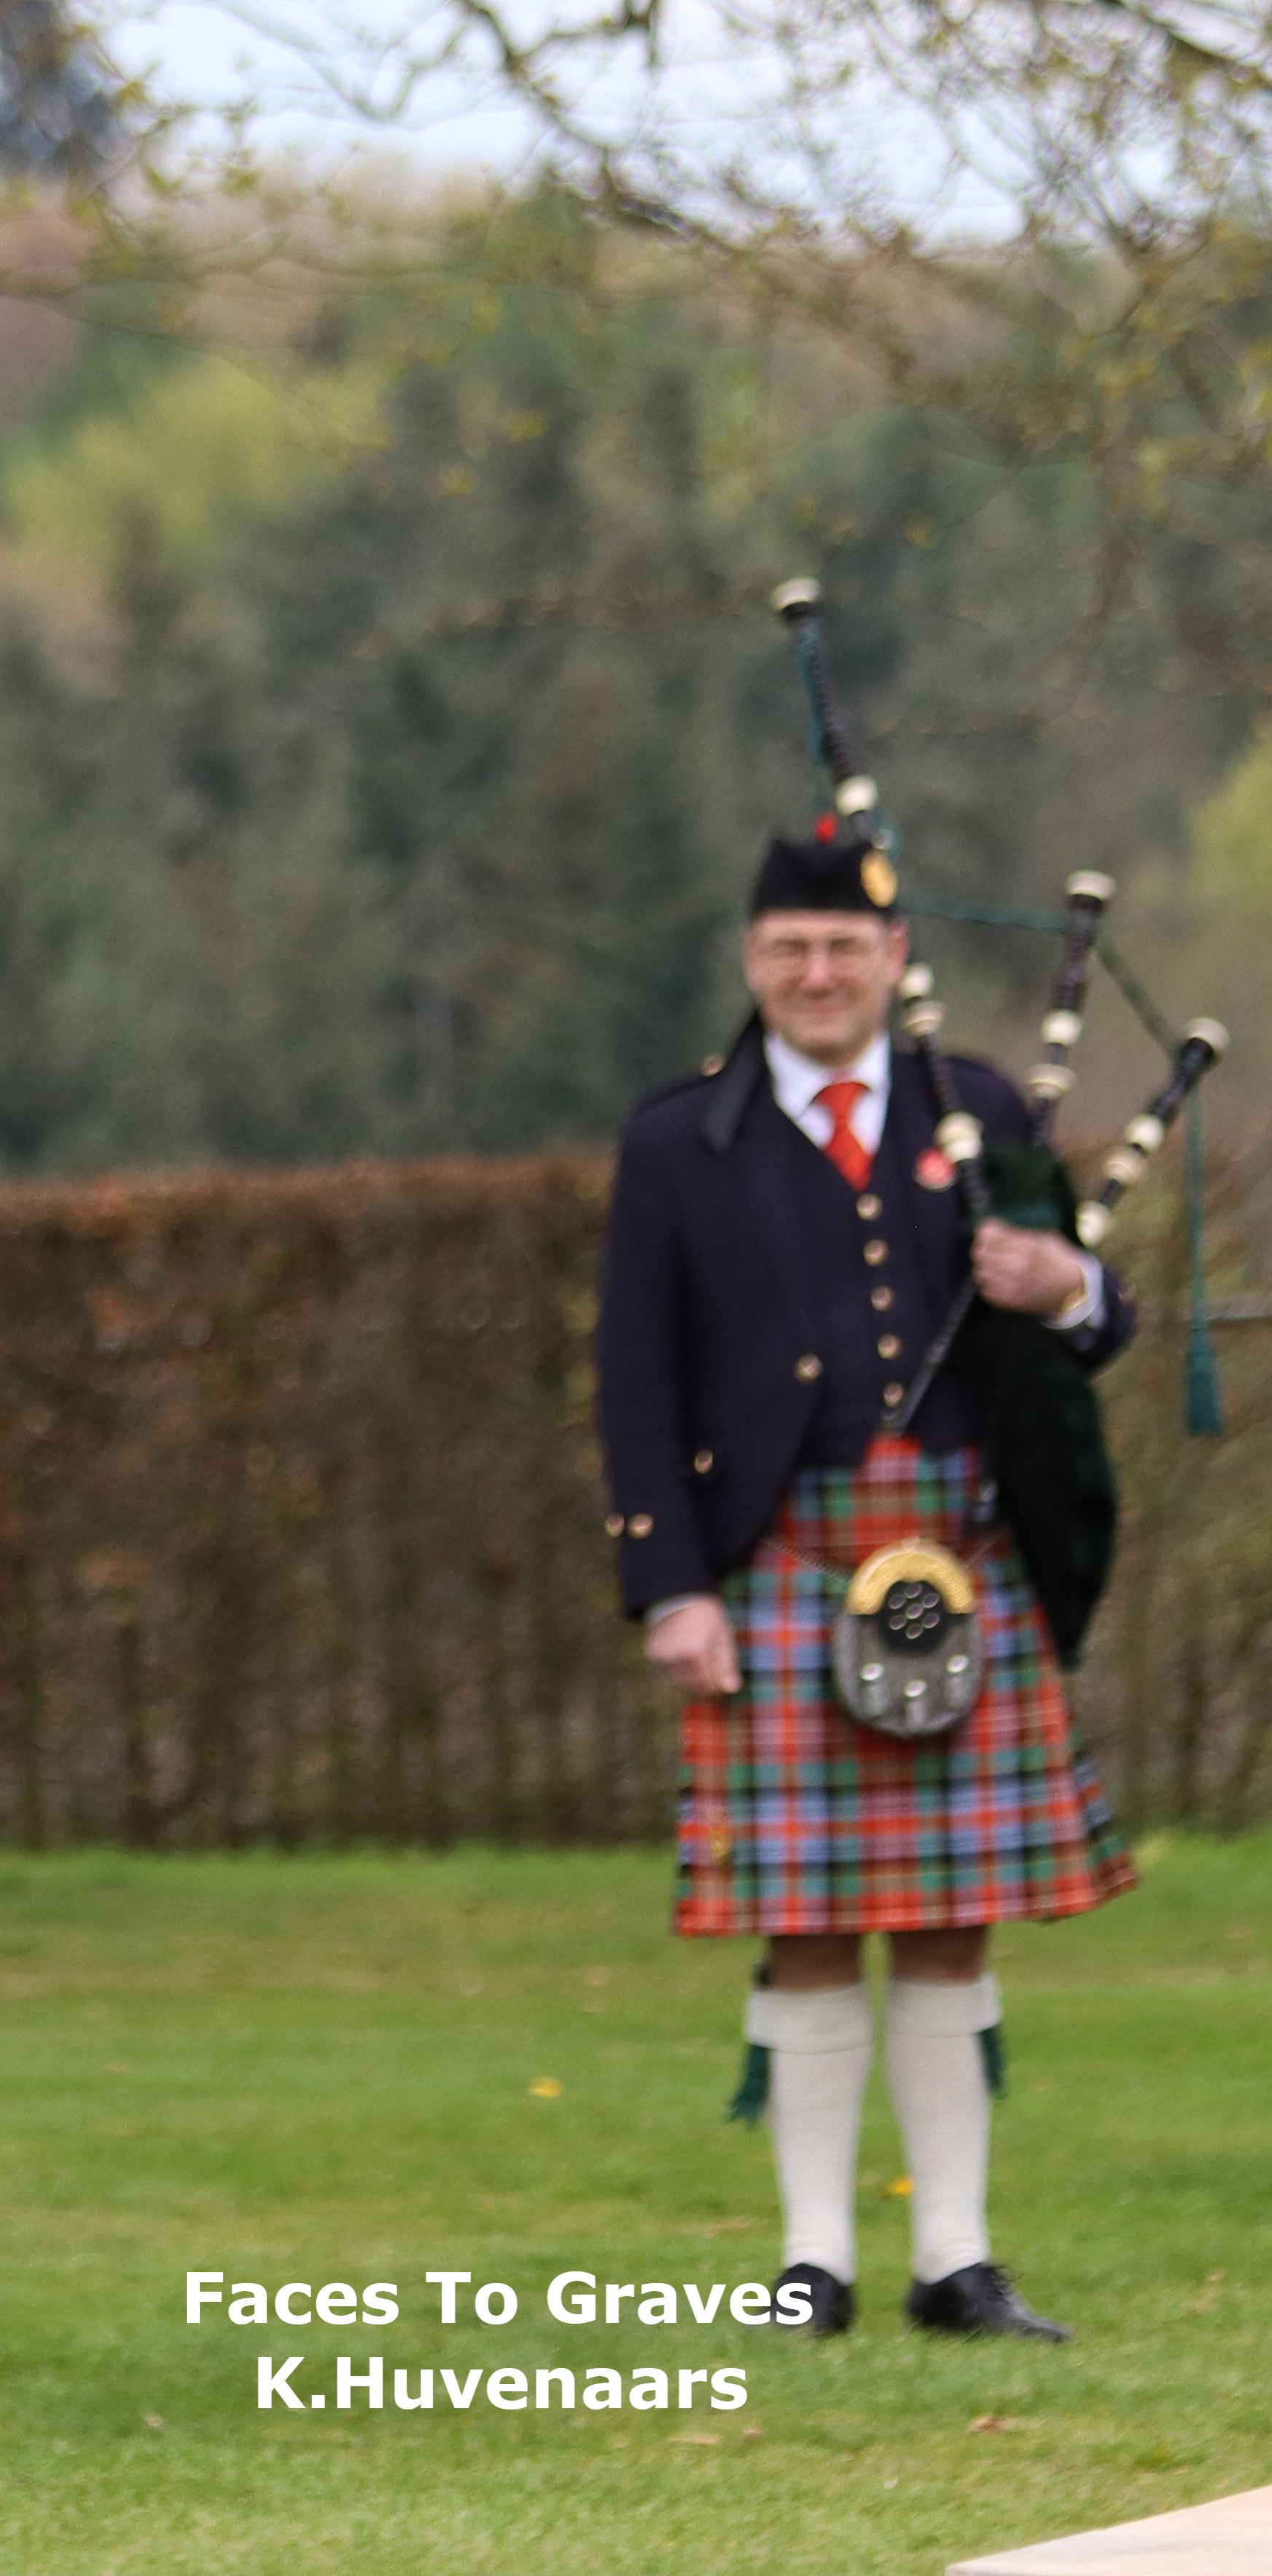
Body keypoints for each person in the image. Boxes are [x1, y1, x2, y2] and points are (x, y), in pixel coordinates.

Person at [598, 830, 1138, 2345]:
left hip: (960, 1561)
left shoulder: (978, 1109)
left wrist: (1070, 1284)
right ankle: (813, 2258)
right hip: (773, 1558)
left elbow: (1100, 1320)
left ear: (894, 960)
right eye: (789, 949)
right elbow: (633, 1381)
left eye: (844, 947)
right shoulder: (673, 1143)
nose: (817, 974)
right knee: (808, 1922)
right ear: (753, 963)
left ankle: (957, 2259)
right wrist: (670, 1585)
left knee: (955, 1913)